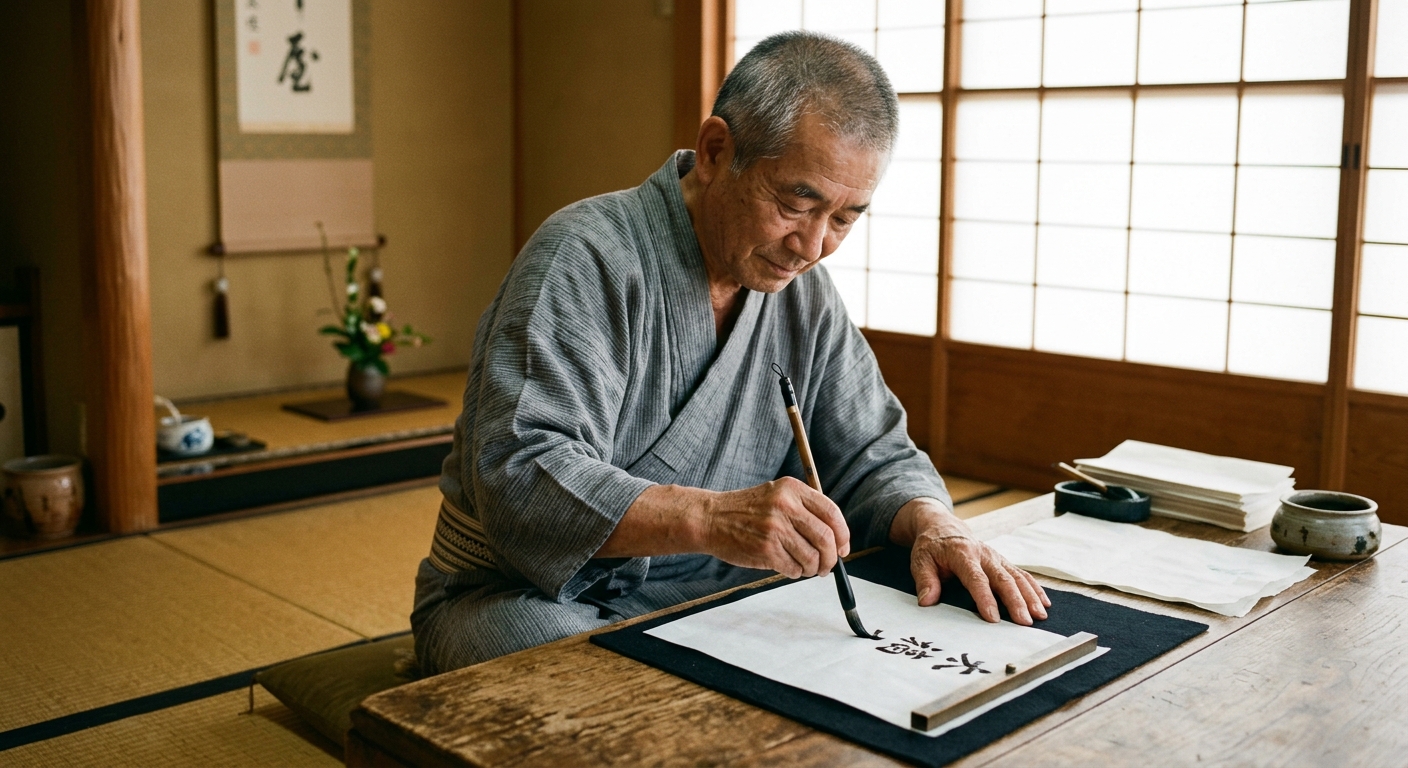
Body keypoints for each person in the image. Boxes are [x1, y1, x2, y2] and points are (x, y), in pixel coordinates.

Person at [411, 30, 1049, 675]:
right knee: (585, 686)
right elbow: (520, 470)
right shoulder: (585, 255)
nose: (814, 245)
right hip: (527, 593)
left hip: (720, 591)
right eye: (797, 203)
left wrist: (938, 524)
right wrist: (710, 516)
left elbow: (872, 453)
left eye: (845, 218)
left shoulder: (804, 295)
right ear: (717, 151)